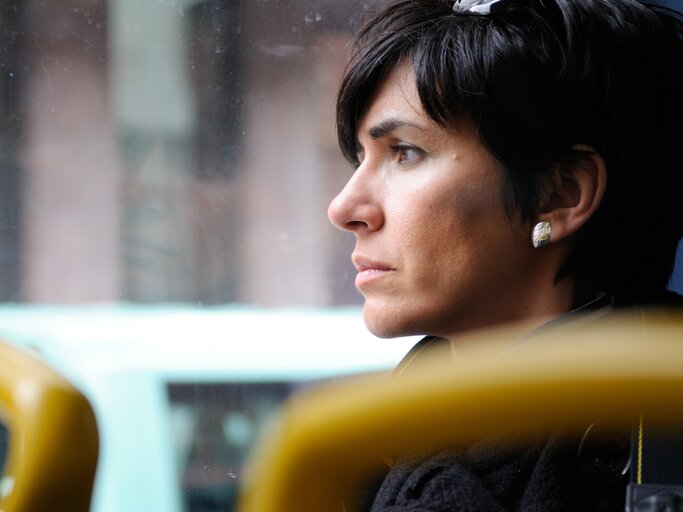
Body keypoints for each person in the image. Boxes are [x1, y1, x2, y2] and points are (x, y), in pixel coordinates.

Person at [326, 0, 683, 510]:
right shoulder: (386, 442)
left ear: (559, 194)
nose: (344, 208)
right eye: (361, 158)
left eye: (406, 152)